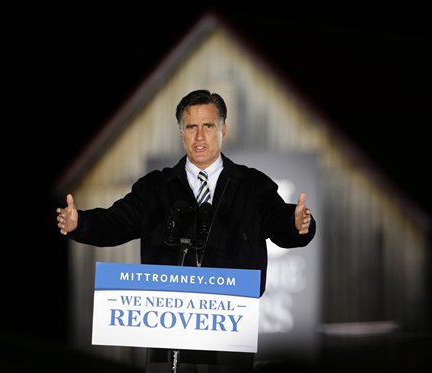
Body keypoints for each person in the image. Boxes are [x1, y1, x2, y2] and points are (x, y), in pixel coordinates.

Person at [56, 89, 316, 373]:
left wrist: (297, 224)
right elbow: (116, 222)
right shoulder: (155, 187)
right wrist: (79, 223)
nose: (200, 136)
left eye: (208, 126)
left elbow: (280, 221)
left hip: (227, 330)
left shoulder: (252, 185)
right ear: (181, 132)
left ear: (223, 129)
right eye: (192, 127)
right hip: (167, 331)